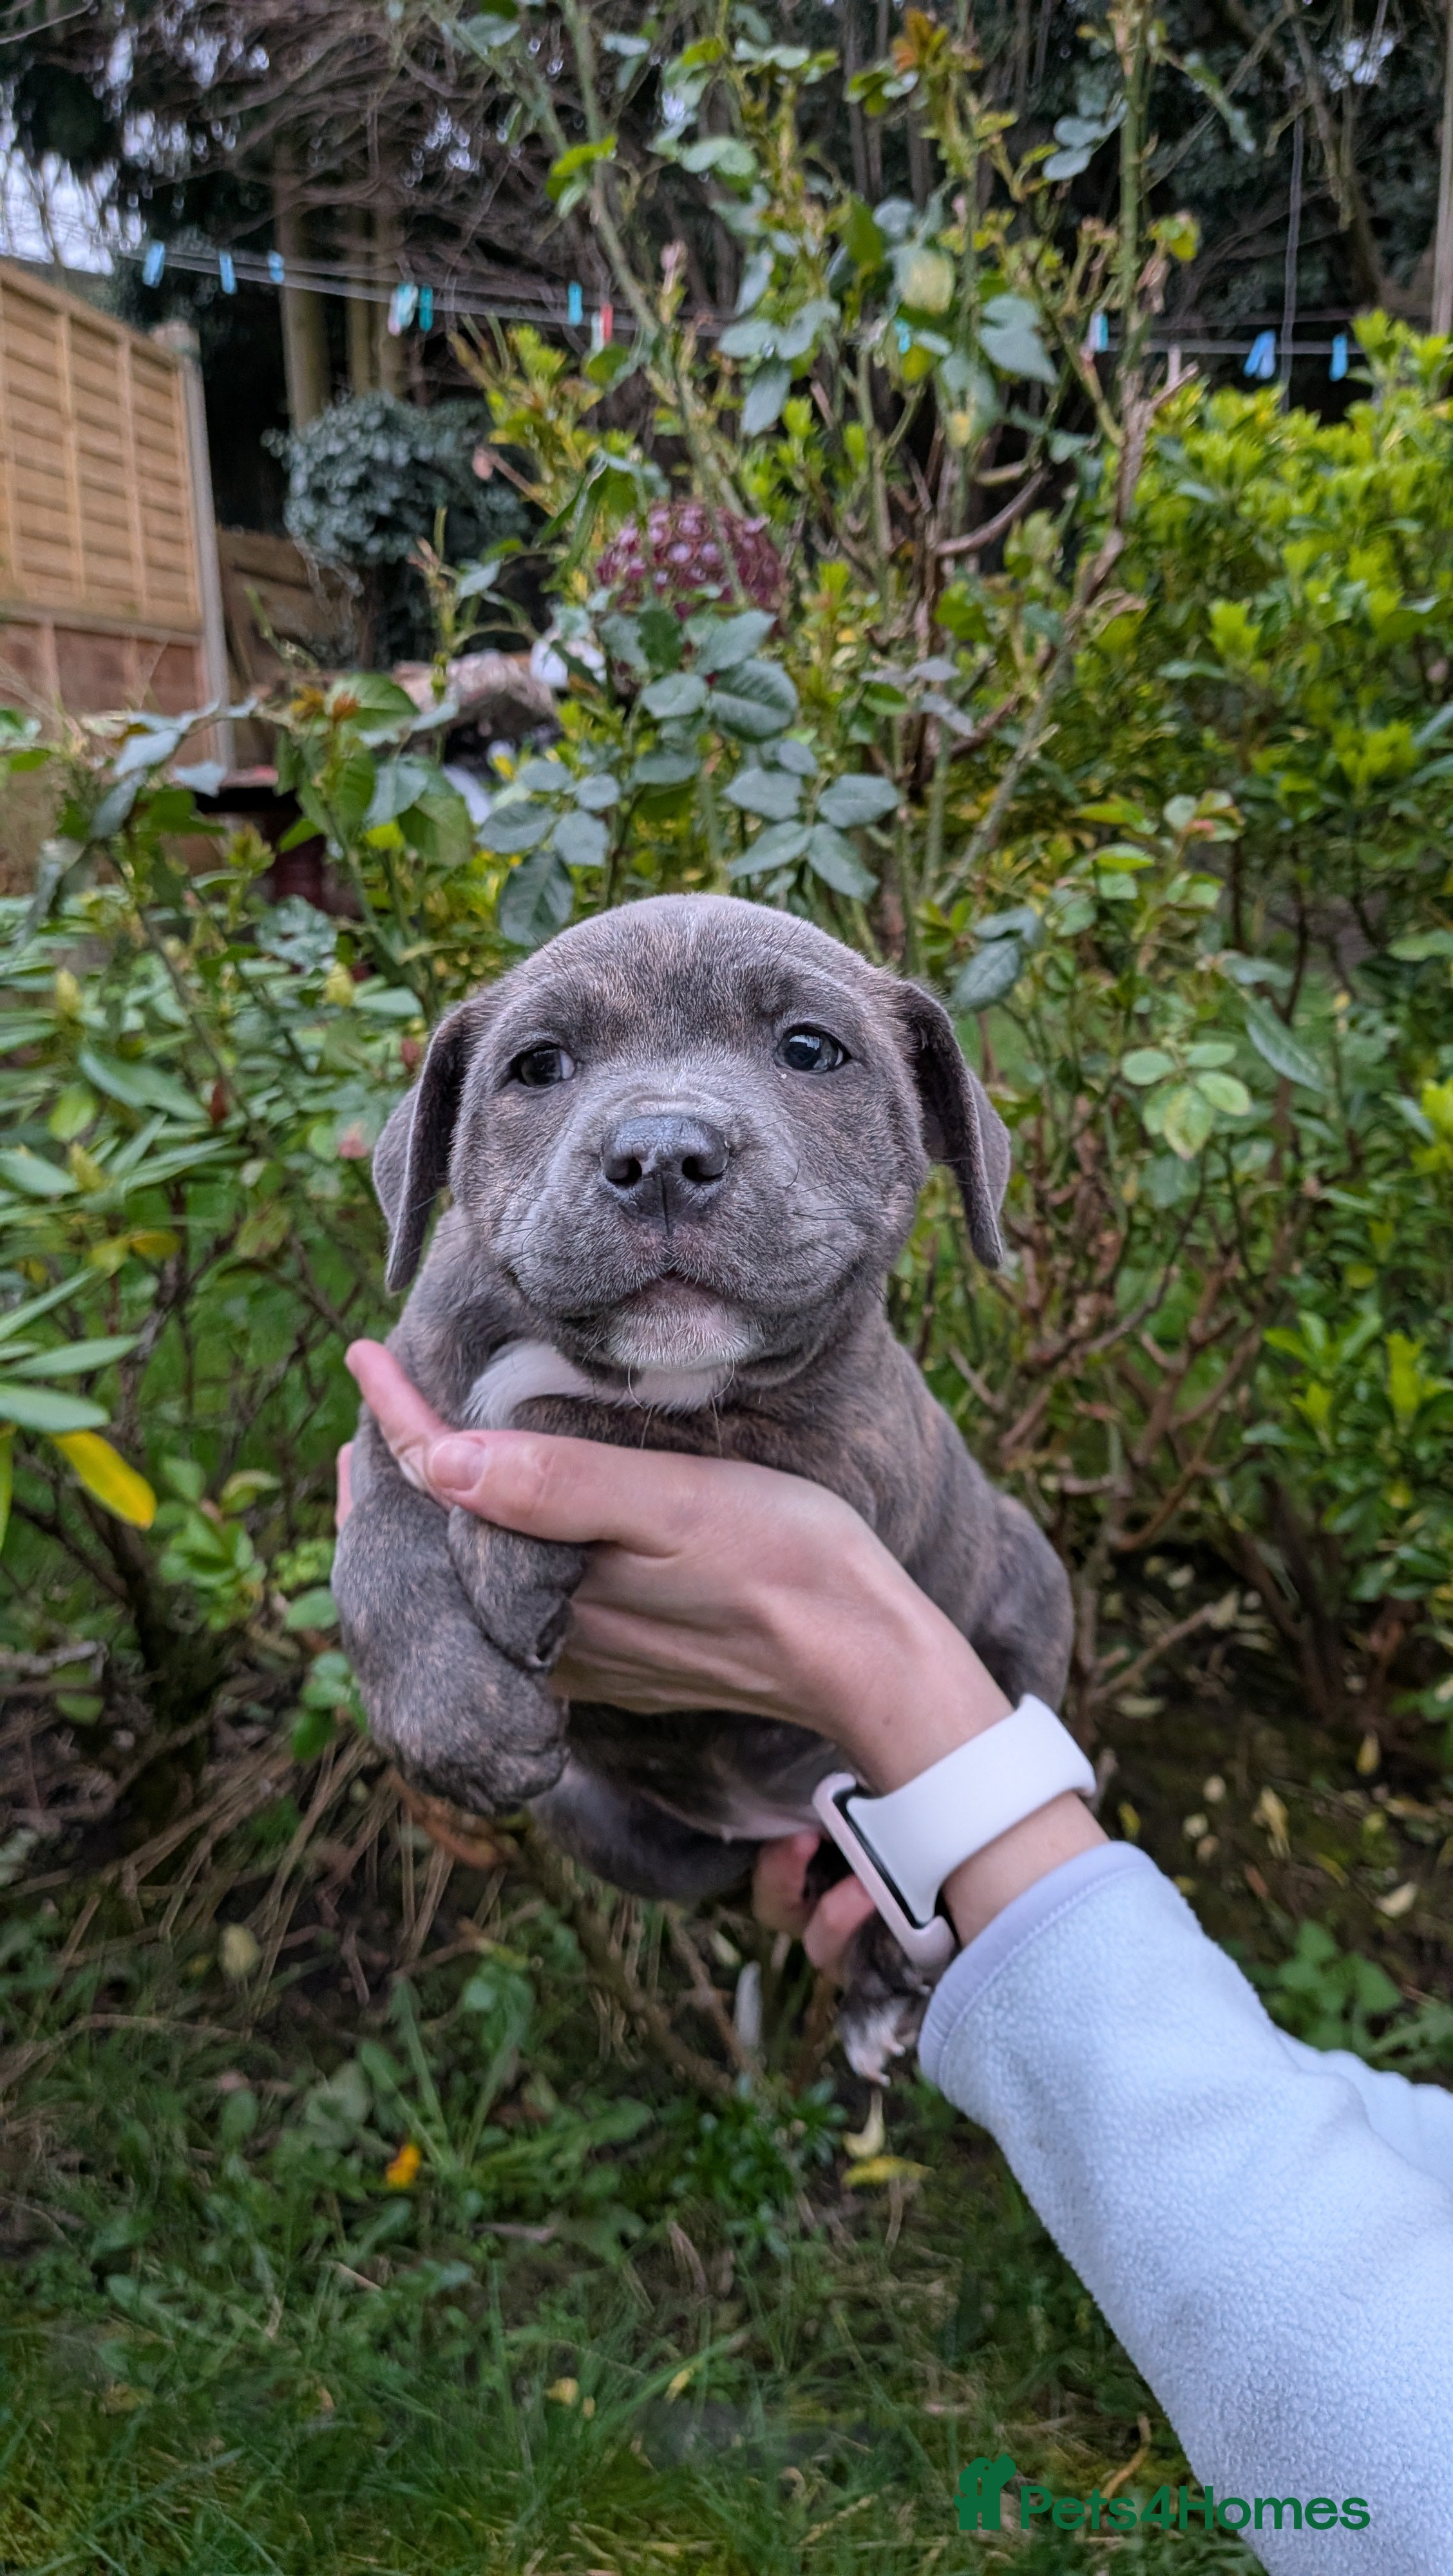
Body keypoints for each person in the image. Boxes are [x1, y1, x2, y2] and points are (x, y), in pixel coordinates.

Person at [340, 1338, 1453, 2573]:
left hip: (812, 1773)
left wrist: (888, 1674)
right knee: (643, 1845)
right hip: (712, 1810)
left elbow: (1401, 2470)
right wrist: (991, 1913)